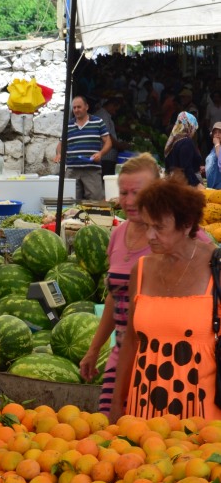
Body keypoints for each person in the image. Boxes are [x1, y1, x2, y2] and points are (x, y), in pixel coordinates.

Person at [109, 177, 219, 423]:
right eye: (146, 225)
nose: (150, 235)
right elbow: (131, 340)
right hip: (146, 405)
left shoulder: (216, 266)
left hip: (201, 408)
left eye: (159, 227)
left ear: (187, 224)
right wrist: (117, 402)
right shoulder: (142, 269)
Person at [79, 154, 160, 414]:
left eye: (137, 192)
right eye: (123, 192)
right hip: (121, 352)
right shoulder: (117, 234)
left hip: (159, 358)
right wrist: (93, 350)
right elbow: (115, 297)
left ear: (158, 191)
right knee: (111, 433)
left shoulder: (174, 236)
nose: (129, 200)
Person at [53, 95, 113, 201]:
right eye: (74, 107)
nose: (76, 110)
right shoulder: (68, 125)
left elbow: (108, 142)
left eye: (79, 107)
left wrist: (100, 154)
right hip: (72, 170)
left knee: (95, 201)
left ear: (86, 107)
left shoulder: (97, 122)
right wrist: (59, 154)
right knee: (70, 200)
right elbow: (61, 144)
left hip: (92, 169)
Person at [164, 111, 203, 186]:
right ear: (189, 125)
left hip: (176, 184)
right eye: (194, 127)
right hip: (188, 186)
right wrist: (197, 185)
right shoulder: (186, 142)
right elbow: (186, 168)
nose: (194, 131)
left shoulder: (172, 143)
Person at [206, 122, 221, 190]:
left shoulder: (217, 146)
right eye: (215, 132)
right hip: (212, 187)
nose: (217, 135)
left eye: (220, 132)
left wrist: (217, 144)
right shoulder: (213, 148)